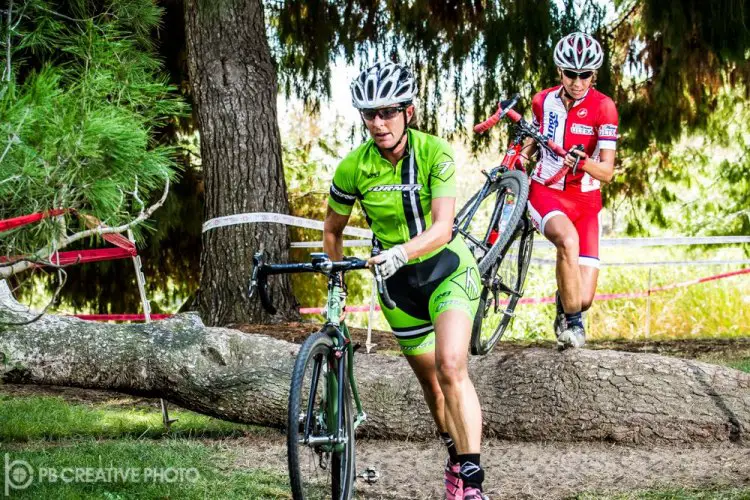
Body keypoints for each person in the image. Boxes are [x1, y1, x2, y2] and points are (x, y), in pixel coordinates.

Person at [323, 61, 489, 499]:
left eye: (388, 112)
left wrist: (400, 252)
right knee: (434, 387)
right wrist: (338, 283)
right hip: (397, 291)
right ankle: (456, 461)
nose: (378, 123)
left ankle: (472, 484)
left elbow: (443, 228)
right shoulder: (352, 168)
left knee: (452, 365)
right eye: (369, 114)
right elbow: (332, 232)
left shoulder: (435, 152)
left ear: (408, 112)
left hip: (446, 272)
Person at [525, 32, 619, 350]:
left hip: (587, 202)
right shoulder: (542, 101)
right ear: (559, 72)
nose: (577, 82)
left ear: (594, 75)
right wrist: (515, 167)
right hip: (547, 191)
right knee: (567, 240)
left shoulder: (604, 108)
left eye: (585, 75)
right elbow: (529, 145)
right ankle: (574, 328)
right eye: (570, 73)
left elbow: (607, 171)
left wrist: (583, 162)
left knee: (583, 298)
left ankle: (566, 303)